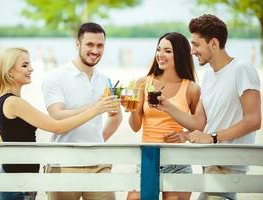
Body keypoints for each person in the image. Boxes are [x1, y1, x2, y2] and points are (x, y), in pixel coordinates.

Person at [0, 47, 118, 200]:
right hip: (17, 183)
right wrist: (97, 109)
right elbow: (58, 126)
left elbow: (2, 138)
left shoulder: (6, 100)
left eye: (30, 64)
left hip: (20, 180)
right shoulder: (13, 102)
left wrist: (94, 105)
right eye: (24, 65)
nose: (31, 68)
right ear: (9, 72)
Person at [159, 14, 261, 200]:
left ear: (213, 43)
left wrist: (211, 137)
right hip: (210, 163)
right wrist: (166, 106)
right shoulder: (208, 77)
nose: (192, 51)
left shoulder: (242, 69)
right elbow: (199, 122)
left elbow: (253, 120)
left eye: (196, 45)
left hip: (230, 165)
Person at [42, 22, 122, 200]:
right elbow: (57, 116)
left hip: (99, 164)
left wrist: (99, 139)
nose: (95, 50)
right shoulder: (55, 77)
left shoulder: (105, 79)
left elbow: (115, 116)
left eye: (100, 45)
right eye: (90, 44)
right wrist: (95, 108)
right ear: (78, 44)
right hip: (63, 164)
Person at [126, 32, 202, 200]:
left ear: (180, 54)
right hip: (148, 158)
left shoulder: (191, 88)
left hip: (177, 161)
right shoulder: (143, 83)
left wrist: (185, 135)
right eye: (159, 49)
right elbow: (135, 126)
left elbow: (201, 126)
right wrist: (131, 107)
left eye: (168, 51)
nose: (160, 55)